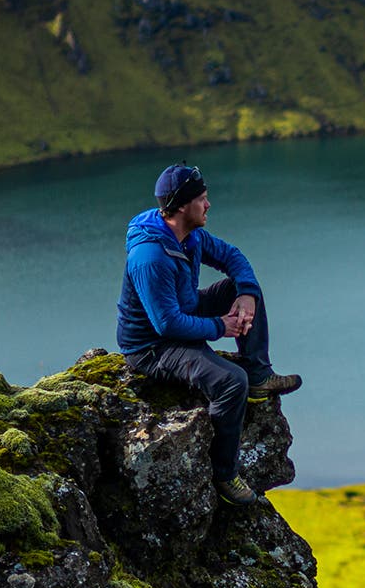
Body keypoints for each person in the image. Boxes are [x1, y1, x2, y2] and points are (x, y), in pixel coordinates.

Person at [116, 163, 301, 506]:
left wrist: (245, 293)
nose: (209, 204)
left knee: (240, 286)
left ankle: (259, 375)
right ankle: (225, 474)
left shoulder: (190, 235)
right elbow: (166, 324)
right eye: (203, 198)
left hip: (182, 313)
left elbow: (232, 256)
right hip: (153, 347)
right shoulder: (150, 256)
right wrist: (221, 327)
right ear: (183, 206)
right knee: (231, 382)